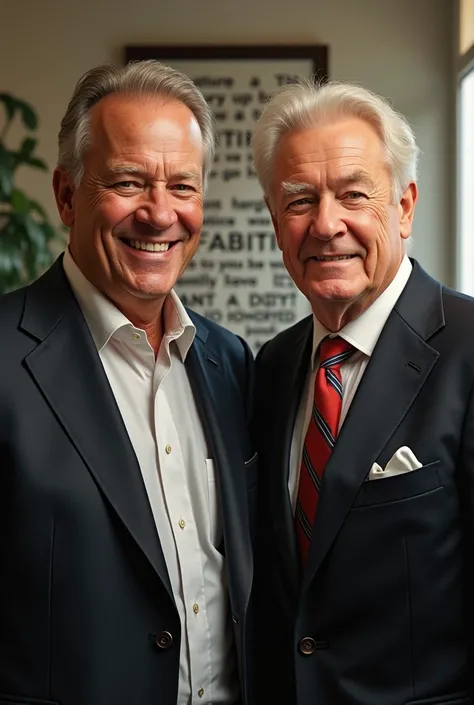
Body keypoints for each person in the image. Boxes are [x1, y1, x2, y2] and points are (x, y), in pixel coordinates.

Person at [0, 60, 257, 705]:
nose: (160, 214)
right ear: (65, 195)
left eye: (184, 187)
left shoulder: (232, 364)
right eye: (129, 182)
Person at [251, 78, 474, 705]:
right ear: (274, 220)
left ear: (404, 206)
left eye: (353, 195)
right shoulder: (272, 367)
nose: (326, 225)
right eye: (299, 200)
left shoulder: (467, 350)